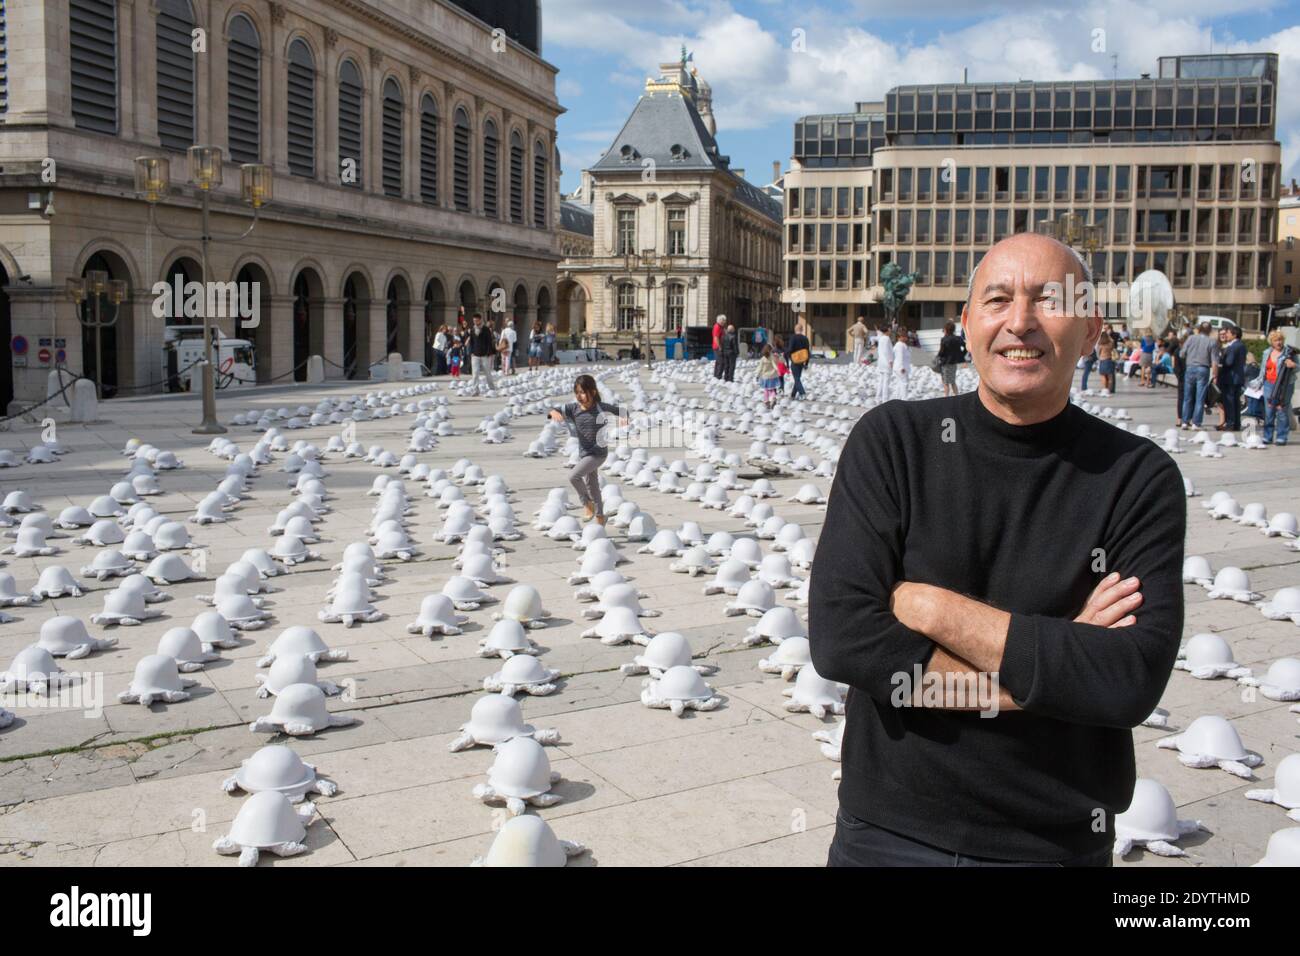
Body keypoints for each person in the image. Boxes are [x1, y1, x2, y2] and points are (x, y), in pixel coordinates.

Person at [811, 232, 1184, 867]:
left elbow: (1125, 680)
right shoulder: (894, 443)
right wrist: (1047, 669)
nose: (1020, 322)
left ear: (1092, 330)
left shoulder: (1136, 477)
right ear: (967, 322)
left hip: (1052, 843)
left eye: (1048, 300)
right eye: (998, 299)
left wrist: (932, 610)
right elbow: (843, 638)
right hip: (889, 834)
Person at [548, 374, 628, 524]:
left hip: (598, 453)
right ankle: (600, 517)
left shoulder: (600, 407)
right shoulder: (574, 408)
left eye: (583, 392)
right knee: (593, 485)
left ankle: (587, 503)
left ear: (593, 392)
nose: (580, 396)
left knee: (573, 476)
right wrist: (553, 412)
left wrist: (624, 417)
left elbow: (622, 411)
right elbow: (554, 409)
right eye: (577, 392)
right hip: (585, 454)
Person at [1261, 328, 1298, 445]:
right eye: (1276, 340)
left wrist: (1293, 365)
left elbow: (1298, 366)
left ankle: (1282, 436)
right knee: (1269, 411)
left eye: (1281, 340)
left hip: (1285, 385)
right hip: (1268, 384)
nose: (1279, 342)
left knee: (1281, 410)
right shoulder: (1266, 352)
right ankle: (1267, 436)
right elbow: (1263, 370)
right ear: (1271, 341)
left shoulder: (1289, 353)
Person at [1179, 322, 1216, 429]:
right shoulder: (1211, 342)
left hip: (1190, 367)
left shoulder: (1191, 338)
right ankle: (1196, 423)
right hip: (1203, 368)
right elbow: (1214, 361)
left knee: (1187, 397)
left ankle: (1185, 421)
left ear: (1199, 329)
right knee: (1200, 397)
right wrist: (1215, 374)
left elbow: (1182, 354)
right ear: (1210, 330)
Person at [1216, 325, 1246, 433]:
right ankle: (1236, 423)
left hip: (1230, 378)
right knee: (1236, 402)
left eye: (1228, 333)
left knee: (1229, 401)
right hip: (1238, 378)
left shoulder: (1233, 347)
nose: (1226, 335)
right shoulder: (1241, 345)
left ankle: (1230, 423)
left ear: (1234, 334)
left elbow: (1229, 362)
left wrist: (1221, 360)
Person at [469, 313, 497, 390]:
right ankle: (475, 390)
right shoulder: (472, 330)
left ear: (480, 320)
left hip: (485, 355)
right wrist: (471, 352)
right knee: (475, 373)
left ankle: (492, 388)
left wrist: (489, 352)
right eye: (474, 321)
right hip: (475, 354)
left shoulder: (486, 329)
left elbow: (489, 342)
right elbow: (471, 341)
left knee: (487, 373)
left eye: (477, 321)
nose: (475, 322)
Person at [787, 321, 811, 400]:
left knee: (796, 378)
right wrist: (806, 363)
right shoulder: (805, 338)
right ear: (802, 329)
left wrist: (787, 355)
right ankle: (793, 395)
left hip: (795, 360)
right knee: (797, 378)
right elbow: (808, 351)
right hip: (802, 360)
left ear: (795, 329)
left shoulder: (793, 338)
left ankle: (802, 393)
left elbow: (790, 349)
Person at [874, 324, 894, 401]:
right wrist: (890, 361)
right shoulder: (886, 338)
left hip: (881, 362)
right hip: (886, 362)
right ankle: (885, 398)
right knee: (886, 381)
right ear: (887, 330)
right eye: (890, 329)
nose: (891, 330)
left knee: (881, 380)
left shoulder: (881, 338)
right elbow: (887, 351)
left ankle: (878, 397)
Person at [757, 344, 780, 410]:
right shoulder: (772, 357)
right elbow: (775, 365)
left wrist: (757, 375)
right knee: (772, 389)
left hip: (765, 377)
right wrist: (777, 370)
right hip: (772, 376)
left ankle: (766, 401)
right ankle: (773, 398)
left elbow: (760, 368)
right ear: (771, 350)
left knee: (766, 390)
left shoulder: (763, 359)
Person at [892, 329, 911, 395]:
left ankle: (898, 398)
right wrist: (901, 367)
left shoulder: (902, 345)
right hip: (901, 367)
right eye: (903, 336)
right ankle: (903, 399)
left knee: (900, 383)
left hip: (900, 367)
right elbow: (900, 357)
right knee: (904, 383)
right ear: (898, 337)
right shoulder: (900, 345)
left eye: (905, 336)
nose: (905, 338)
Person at [712, 315, 726, 379]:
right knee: (721, 362)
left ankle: (716, 376)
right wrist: (719, 346)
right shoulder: (717, 327)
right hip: (717, 347)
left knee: (718, 362)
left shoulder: (721, 327)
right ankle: (718, 376)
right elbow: (716, 337)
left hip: (720, 346)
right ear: (720, 320)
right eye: (723, 320)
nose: (724, 322)